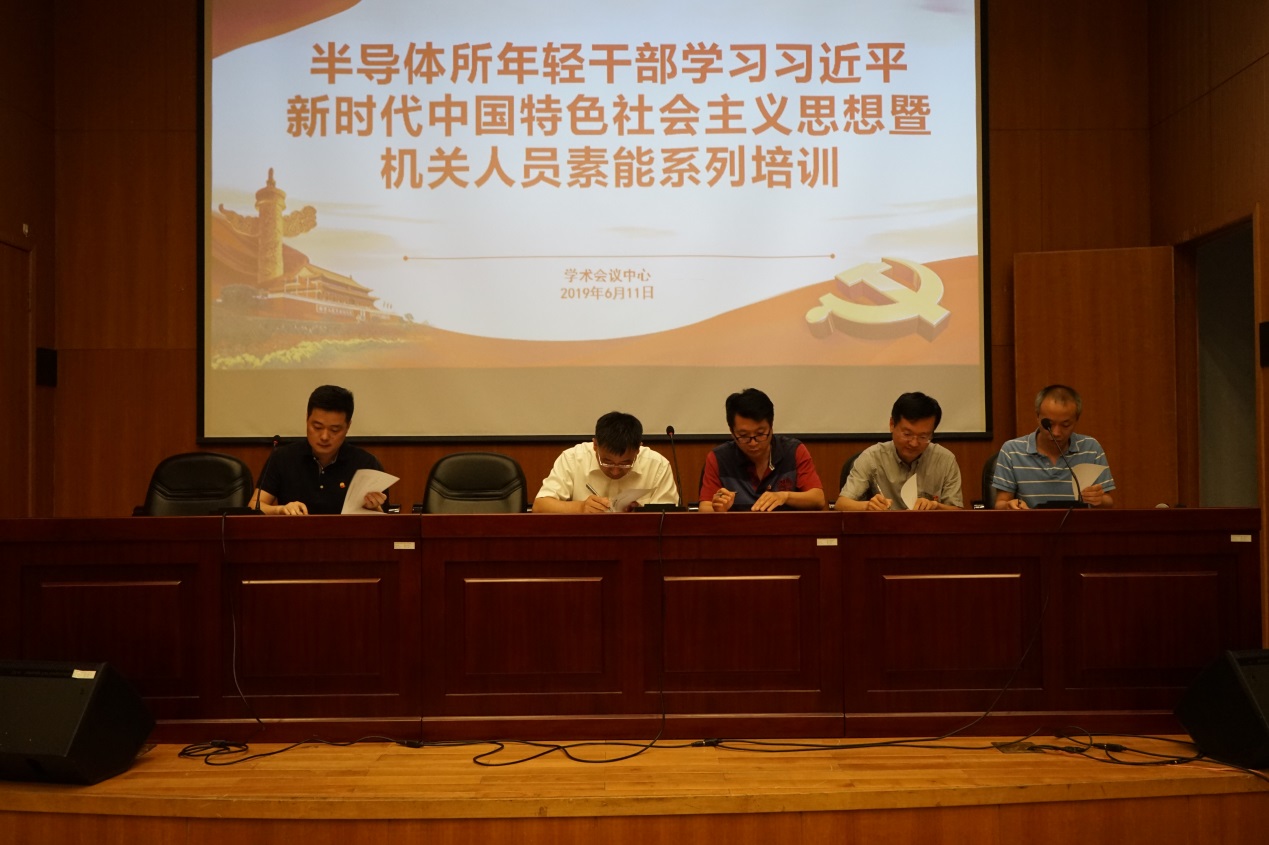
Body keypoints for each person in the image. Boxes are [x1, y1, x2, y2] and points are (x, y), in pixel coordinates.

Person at [254, 385, 388, 515]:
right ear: (307, 419)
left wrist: (374, 508)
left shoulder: (365, 464)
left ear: (348, 426)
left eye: (334, 430)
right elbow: (255, 506)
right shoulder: (283, 458)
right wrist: (280, 510)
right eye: (317, 427)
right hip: (295, 530)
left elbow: (384, 520)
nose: (324, 437)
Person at [698, 388, 826, 512]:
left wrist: (785, 496)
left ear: (771, 426)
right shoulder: (719, 458)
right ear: (732, 432)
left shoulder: (793, 451)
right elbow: (704, 507)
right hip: (737, 526)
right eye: (743, 436)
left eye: (760, 434)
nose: (753, 443)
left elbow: (818, 499)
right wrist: (719, 509)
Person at [993, 384, 1115, 509]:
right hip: (1030, 521)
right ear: (1037, 416)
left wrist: (1098, 499)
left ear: (1076, 420)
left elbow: (1108, 502)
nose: (1056, 433)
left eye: (1065, 425)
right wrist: (1009, 506)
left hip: (1078, 522)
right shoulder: (1012, 451)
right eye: (1049, 424)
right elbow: (1000, 504)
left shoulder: (1091, 448)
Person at [836, 392, 963, 511]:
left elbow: (958, 513)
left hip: (927, 527)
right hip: (884, 526)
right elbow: (841, 504)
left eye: (923, 437)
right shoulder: (872, 458)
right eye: (907, 434)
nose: (914, 443)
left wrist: (936, 506)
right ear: (892, 424)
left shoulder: (945, 460)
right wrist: (868, 506)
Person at [533, 411, 679, 513]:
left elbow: (669, 517)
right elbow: (540, 506)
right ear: (595, 446)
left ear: (638, 450)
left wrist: (639, 513)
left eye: (625, 464)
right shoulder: (573, 458)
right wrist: (580, 508)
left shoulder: (657, 465)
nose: (615, 471)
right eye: (607, 462)